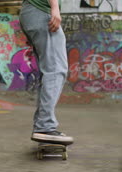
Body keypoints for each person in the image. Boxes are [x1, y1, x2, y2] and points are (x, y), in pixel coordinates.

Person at [19, 0, 74, 145]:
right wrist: (54, 7)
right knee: (56, 70)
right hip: (41, 11)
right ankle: (44, 126)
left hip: (30, 11)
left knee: (48, 72)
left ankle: (41, 126)